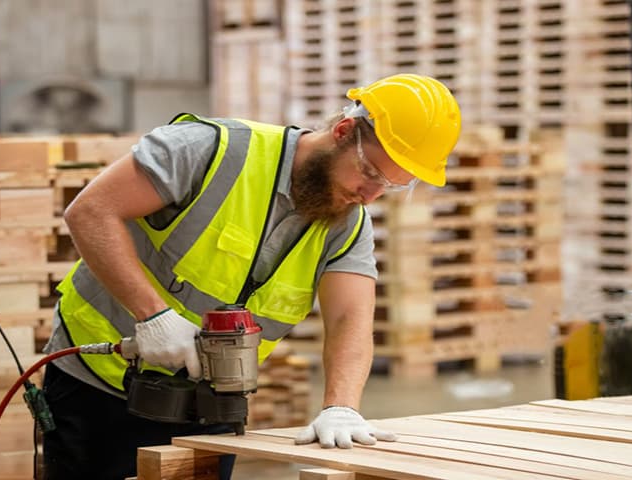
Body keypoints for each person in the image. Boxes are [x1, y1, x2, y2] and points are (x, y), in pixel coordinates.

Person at [40, 73, 461, 480]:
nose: (370, 195)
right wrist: (153, 315)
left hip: (210, 406)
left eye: (389, 185)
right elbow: (91, 212)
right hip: (94, 387)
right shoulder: (212, 151)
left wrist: (341, 407)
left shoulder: (347, 226)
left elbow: (349, 318)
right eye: (370, 173)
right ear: (344, 131)